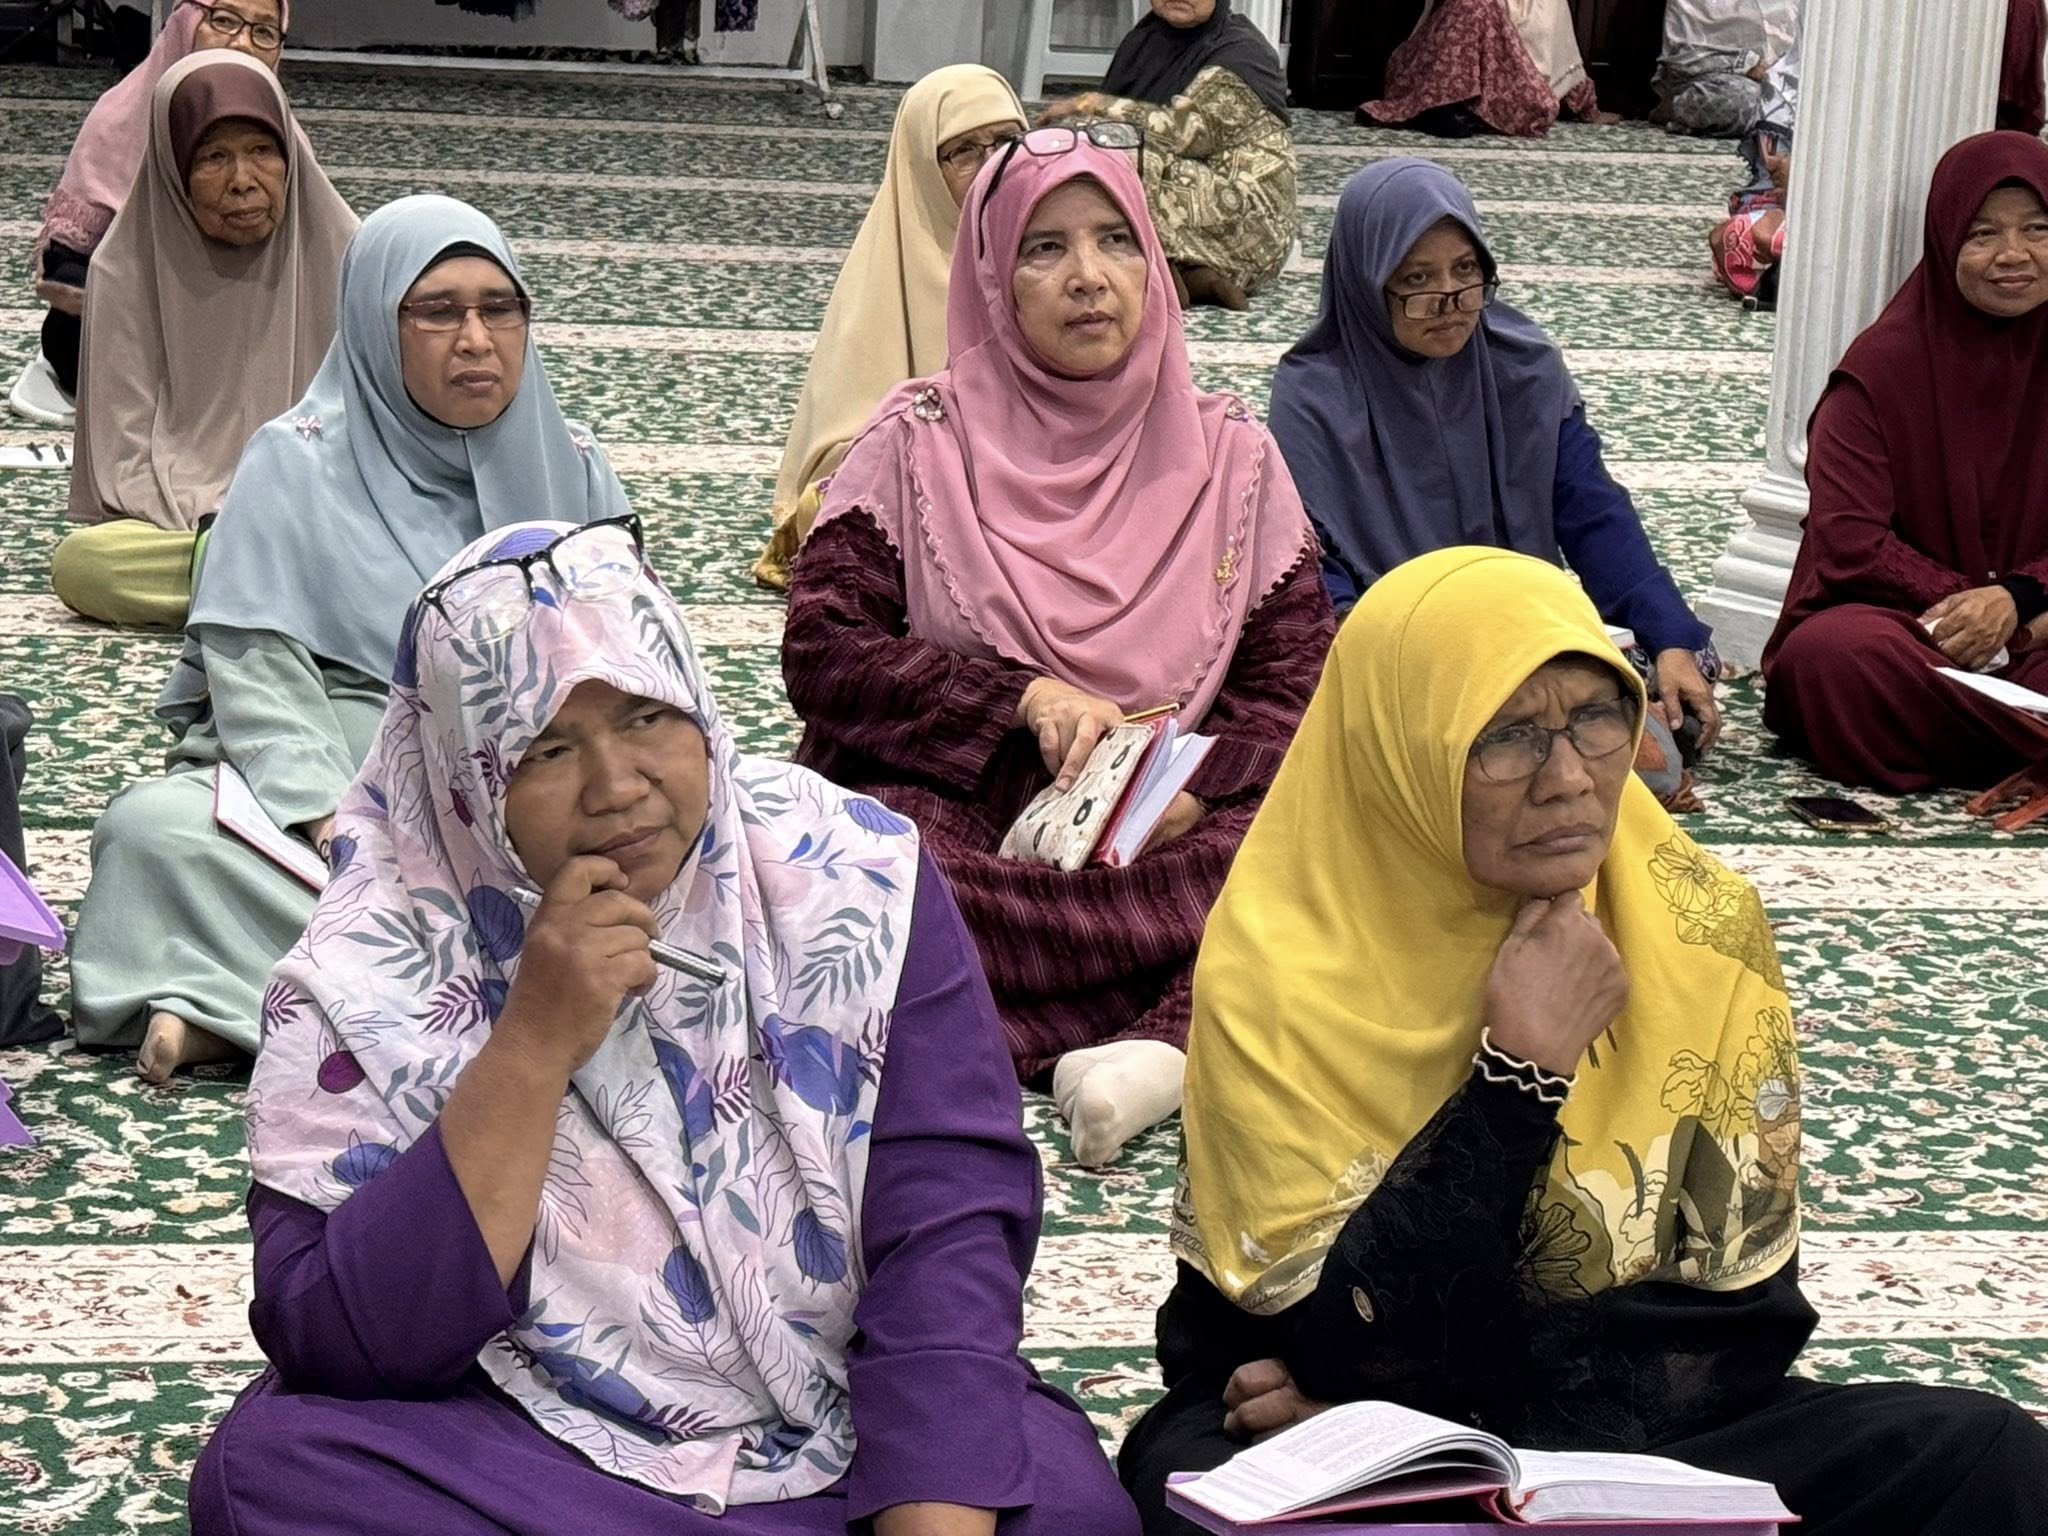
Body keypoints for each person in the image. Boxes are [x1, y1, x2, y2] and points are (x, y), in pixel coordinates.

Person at [187, 521, 1142, 1536]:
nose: (617, 788)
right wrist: (531, 1044)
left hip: (845, 1424)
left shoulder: (852, 878)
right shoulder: (372, 968)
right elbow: (342, 1340)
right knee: (271, 1477)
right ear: (464, 780)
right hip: (539, 1439)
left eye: (645, 717)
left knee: (1068, 1511)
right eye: (546, 748)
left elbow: (947, 1228)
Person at [1117, 546, 2048, 1536]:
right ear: (1402, 748)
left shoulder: (1696, 926)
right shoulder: (1284, 956)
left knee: (1985, 1457)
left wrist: (1474, 1434)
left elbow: (1738, 1331)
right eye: (1507, 736)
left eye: (1598, 717)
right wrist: (1518, 1076)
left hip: (1602, 1424)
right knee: (1194, 1492)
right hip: (1321, 1428)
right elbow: (1330, 1343)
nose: (1567, 779)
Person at [782, 136, 1331, 1167]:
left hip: (1165, 825)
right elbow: (823, 649)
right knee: (866, 868)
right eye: (1044, 248)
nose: (1088, 276)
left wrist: (1189, 788)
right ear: (991, 273)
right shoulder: (919, 440)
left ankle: (1117, 1043)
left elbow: (1294, 684)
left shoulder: (1232, 457)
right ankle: (1180, 1021)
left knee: (1314, 849)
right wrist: (1018, 700)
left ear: (1153, 264)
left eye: (1117, 241)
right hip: (965, 804)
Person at [67, 195, 630, 1085]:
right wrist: (339, 819)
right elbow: (257, 672)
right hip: (352, 770)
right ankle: (413, 1002)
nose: (476, 340)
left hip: (536, 790)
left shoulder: (576, 466)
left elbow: (632, 665)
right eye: (437, 312)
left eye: (500, 309)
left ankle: (253, 1006)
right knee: (154, 832)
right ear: (374, 324)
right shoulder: (294, 463)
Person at [1269, 158, 1719, 801]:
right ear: (1367, 284)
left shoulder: (1522, 367)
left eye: (1466, 272)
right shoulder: (1313, 397)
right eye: (1416, 280)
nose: (1450, 302)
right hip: (1394, 651)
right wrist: (1401, 665)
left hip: (1521, 632)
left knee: (1664, 734)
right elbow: (1317, 575)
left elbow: (1593, 512)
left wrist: (1668, 637)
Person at [1763, 133, 2048, 793]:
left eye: (2037, 230)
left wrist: (2014, 608)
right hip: (1913, 631)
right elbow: (1850, 544)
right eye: (1982, 234)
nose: (2013, 254)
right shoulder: (1880, 372)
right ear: (1945, 241)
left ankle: (2003, 735)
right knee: (1829, 661)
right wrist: (1966, 613)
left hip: (2033, 630)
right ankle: (2027, 738)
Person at [53, 49, 355, 630]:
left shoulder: (350, 258)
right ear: (174, 171)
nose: (242, 182)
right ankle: (286, 588)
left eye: (262, 151)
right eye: (214, 158)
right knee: (86, 566)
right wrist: (221, 519)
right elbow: (123, 462)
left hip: (319, 517)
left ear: (291, 156)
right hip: (182, 528)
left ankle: (247, 583)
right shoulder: (124, 273)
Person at [754, 65, 1027, 591]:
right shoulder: (885, 272)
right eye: (964, 151)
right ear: (921, 166)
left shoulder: (1052, 250)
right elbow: (844, 450)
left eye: (1008, 142)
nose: (993, 163)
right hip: (933, 478)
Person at [12, 1, 291, 428]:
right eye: (224, 21)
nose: (242, 43)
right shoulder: (120, 120)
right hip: (140, 329)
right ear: (185, 24)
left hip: (245, 322)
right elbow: (65, 262)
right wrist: (117, 294)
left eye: (264, 31)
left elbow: (319, 248)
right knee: (72, 337)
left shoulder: (285, 135)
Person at [1039, 0, 1295, 311]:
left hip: (1248, 224)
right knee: (1089, 151)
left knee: (1115, 155)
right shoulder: (1146, 39)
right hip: (1189, 198)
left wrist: (1092, 105)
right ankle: (1186, 277)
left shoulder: (1242, 53)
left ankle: (1154, 270)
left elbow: (1182, 131)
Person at [1360, 0, 1610, 139]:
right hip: (1445, 42)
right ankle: (1440, 106)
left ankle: (1466, 109)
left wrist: (1585, 103)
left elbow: (1555, 38)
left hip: (1511, 61)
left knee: (1535, 107)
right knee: (1473, 6)